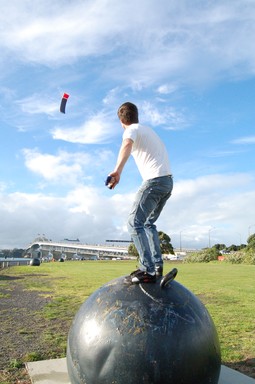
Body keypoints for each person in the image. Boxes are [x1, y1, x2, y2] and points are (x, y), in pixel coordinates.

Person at [108, 102, 173, 284]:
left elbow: (127, 145)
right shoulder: (148, 130)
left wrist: (117, 171)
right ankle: (157, 266)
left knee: (133, 223)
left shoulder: (130, 131)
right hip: (167, 182)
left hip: (154, 181)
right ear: (137, 116)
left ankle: (147, 269)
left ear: (122, 121)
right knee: (148, 223)